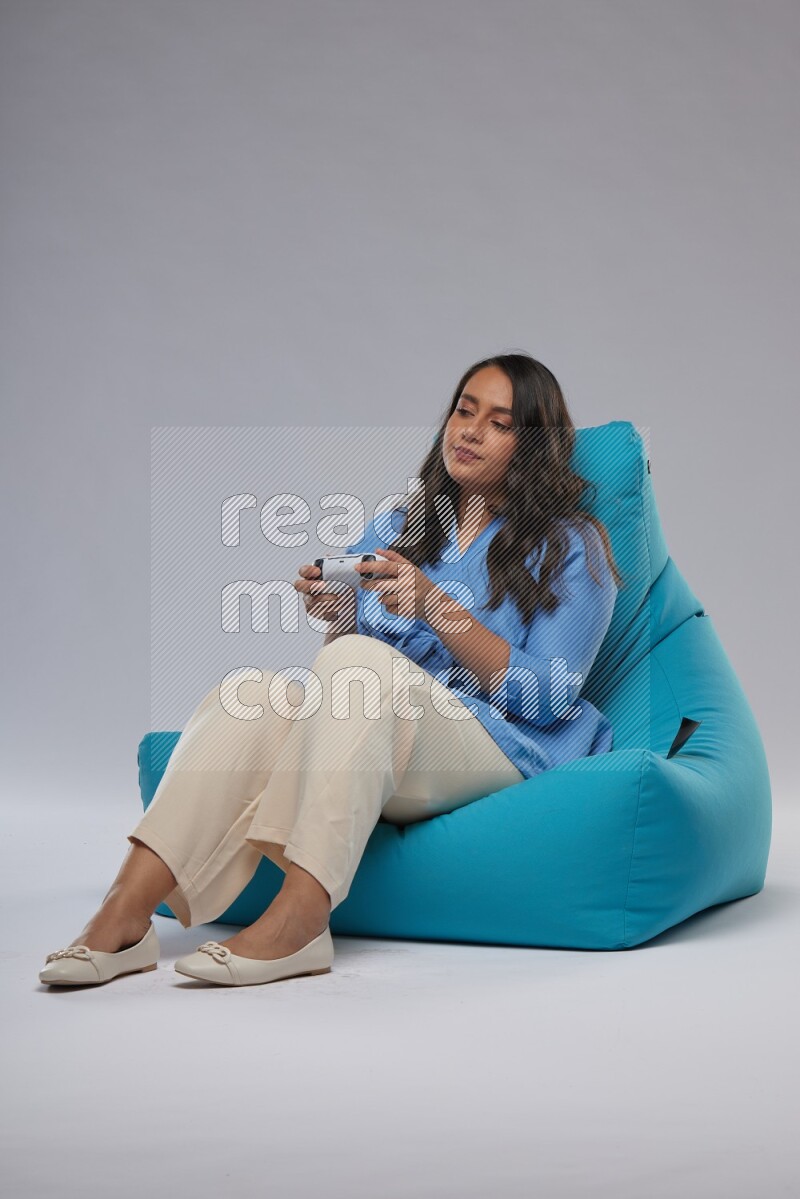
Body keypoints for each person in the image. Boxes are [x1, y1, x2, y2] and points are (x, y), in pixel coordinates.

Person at [39, 352, 623, 989]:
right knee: (250, 695)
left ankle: (301, 920)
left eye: (500, 424)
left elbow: (550, 696)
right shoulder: (404, 524)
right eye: (464, 411)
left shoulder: (572, 545)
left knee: (359, 667)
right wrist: (339, 613)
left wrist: (434, 606)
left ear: (533, 445)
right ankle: (123, 917)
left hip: (499, 744)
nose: (470, 431)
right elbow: (348, 664)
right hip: (387, 738)